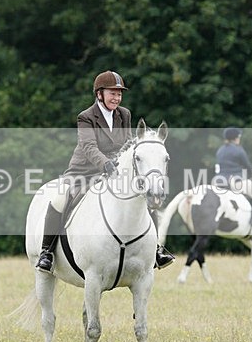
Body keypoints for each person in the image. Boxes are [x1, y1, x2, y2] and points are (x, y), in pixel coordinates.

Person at [35, 70, 174, 273]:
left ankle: (156, 249)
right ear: (99, 94)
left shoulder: (124, 114)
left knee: (144, 197)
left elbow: (127, 144)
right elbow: (88, 146)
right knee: (60, 198)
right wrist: (106, 163)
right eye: (112, 93)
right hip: (85, 171)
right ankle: (46, 252)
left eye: (119, 94)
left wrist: (123, 164)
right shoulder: (86, 117)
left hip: (116, 171)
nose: (116, 98)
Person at [214, 127, 252, 226]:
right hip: (234, 181)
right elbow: (248, 166)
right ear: (236, 138)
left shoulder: (220, 150)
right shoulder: (239, 150)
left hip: (218, 181)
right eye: (239, 137)